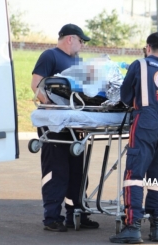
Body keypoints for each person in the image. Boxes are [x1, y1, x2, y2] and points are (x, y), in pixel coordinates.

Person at [109, 32, 158, 244]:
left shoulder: (140, 64)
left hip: (146, 122)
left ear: (147, 47)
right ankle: (157, 227)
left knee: (135, 174)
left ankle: (132, 226)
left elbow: (125, 95)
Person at [31, 24, 99, 232]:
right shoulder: (50, 56)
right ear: (70, 38)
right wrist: (52, 107)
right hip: (54, 126)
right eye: (81, 41)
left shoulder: (76, 62)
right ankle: (52, 217)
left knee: (78, 173)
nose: (82, 45)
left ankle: (76, 213)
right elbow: (36, 85)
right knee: (56, 171)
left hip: (73, 125)